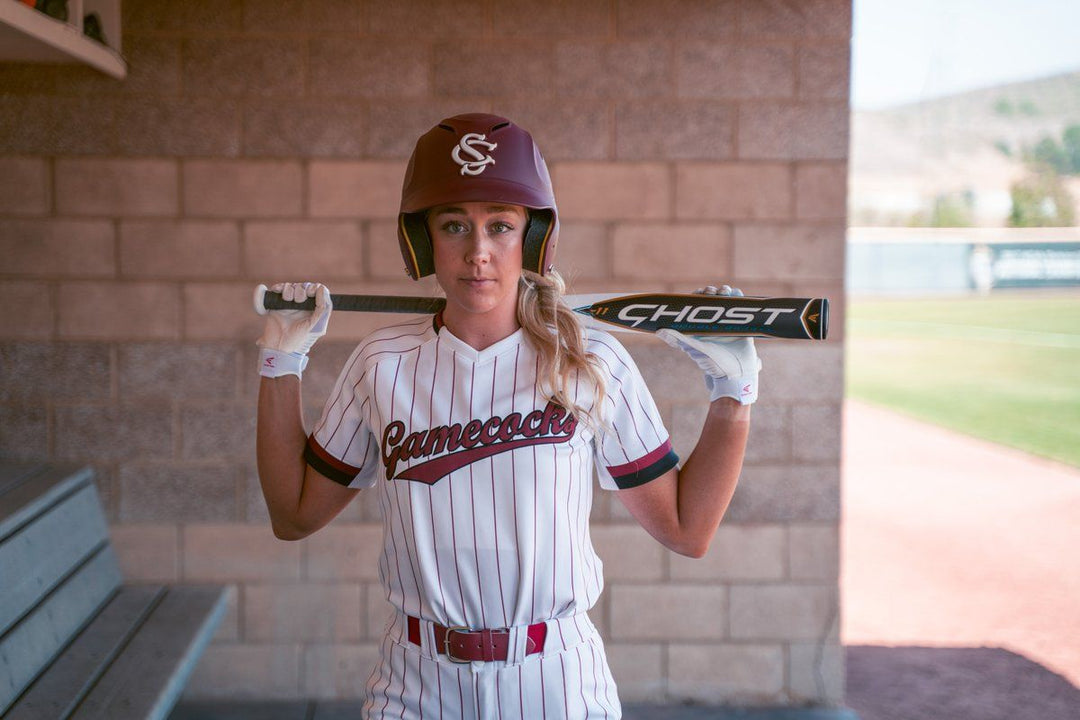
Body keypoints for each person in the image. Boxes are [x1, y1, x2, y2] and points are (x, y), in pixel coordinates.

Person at [255, 113, 757, 719]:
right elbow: (293, 514)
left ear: (533, 238)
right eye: (453, 225)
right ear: (423, 241)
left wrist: (734, 393)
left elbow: (686, 528)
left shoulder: (592, 360)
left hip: (557, 681)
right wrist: (280, 363)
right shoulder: (380, 362)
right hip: (417, 685)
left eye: (501, 225)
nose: (478, 252)